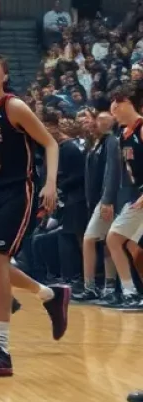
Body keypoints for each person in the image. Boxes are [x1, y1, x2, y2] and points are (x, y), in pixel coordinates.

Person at [0, 52, 70, 377]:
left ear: (4, 76)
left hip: (18, 192)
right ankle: (50, 294)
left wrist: (49, 184)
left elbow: (50, 144)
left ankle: (1, 350)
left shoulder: (14, 107)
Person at [74, 109, 120, 302]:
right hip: (96, 199)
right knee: (107, 242)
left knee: (90, 239)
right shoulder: (95, 143)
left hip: (107, 199)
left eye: (99, 119)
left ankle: (92, 287)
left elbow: (112, 172)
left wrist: (107, 199)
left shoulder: (111, 141)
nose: (93, 123)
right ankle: (107, 287)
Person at [106, 89, 143, 310]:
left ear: (127, 102)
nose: (114, 113)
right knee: (130, 244)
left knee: (114, 238)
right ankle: (131, 292)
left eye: (116, 107)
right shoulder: (123, 134)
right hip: (137, 194)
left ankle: (130, 293)